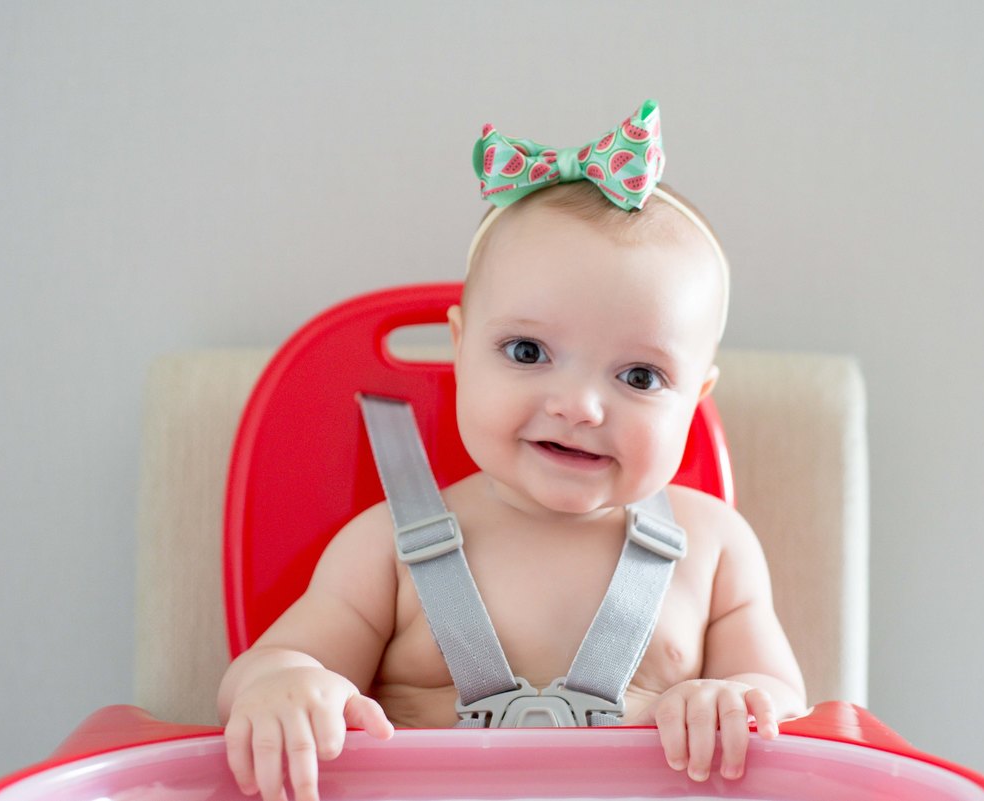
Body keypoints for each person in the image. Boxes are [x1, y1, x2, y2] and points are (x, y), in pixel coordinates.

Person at [217, 100, 806, 801]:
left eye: (640, 377)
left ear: (696, 397)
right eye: (528, 352)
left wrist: (735, 701)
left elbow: (787, 708)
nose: (579, 406)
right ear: (460, 347)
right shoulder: (385, 549)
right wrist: (284, 686)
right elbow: (266, 667)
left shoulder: (715, 550)